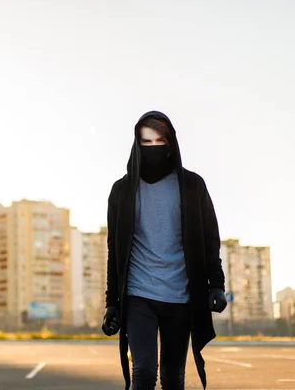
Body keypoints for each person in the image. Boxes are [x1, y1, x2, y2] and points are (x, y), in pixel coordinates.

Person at [101, 111, 227, 390]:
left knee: (172, 378)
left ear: (171, 143)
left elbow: (210, 238)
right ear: (136, 145)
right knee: (143, 371)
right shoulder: (121, 191)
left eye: (160, 141)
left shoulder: (192, 185)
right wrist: (111, 303)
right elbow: (115, 251)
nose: (154, 148)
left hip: (180, 297)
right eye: (146, 142)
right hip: (138, 295)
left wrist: (216, 285)